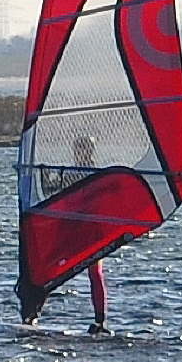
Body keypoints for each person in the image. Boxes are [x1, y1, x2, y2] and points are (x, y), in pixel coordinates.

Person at [71, 136, 112, 336]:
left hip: (91, 228)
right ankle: (32, 314)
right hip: (73, 227)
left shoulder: (94, 172)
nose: (79, 153)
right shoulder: (70, 171)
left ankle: (100, 321)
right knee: (44, 270)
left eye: (82, 149)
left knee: (95, 273)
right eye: (77, 149)